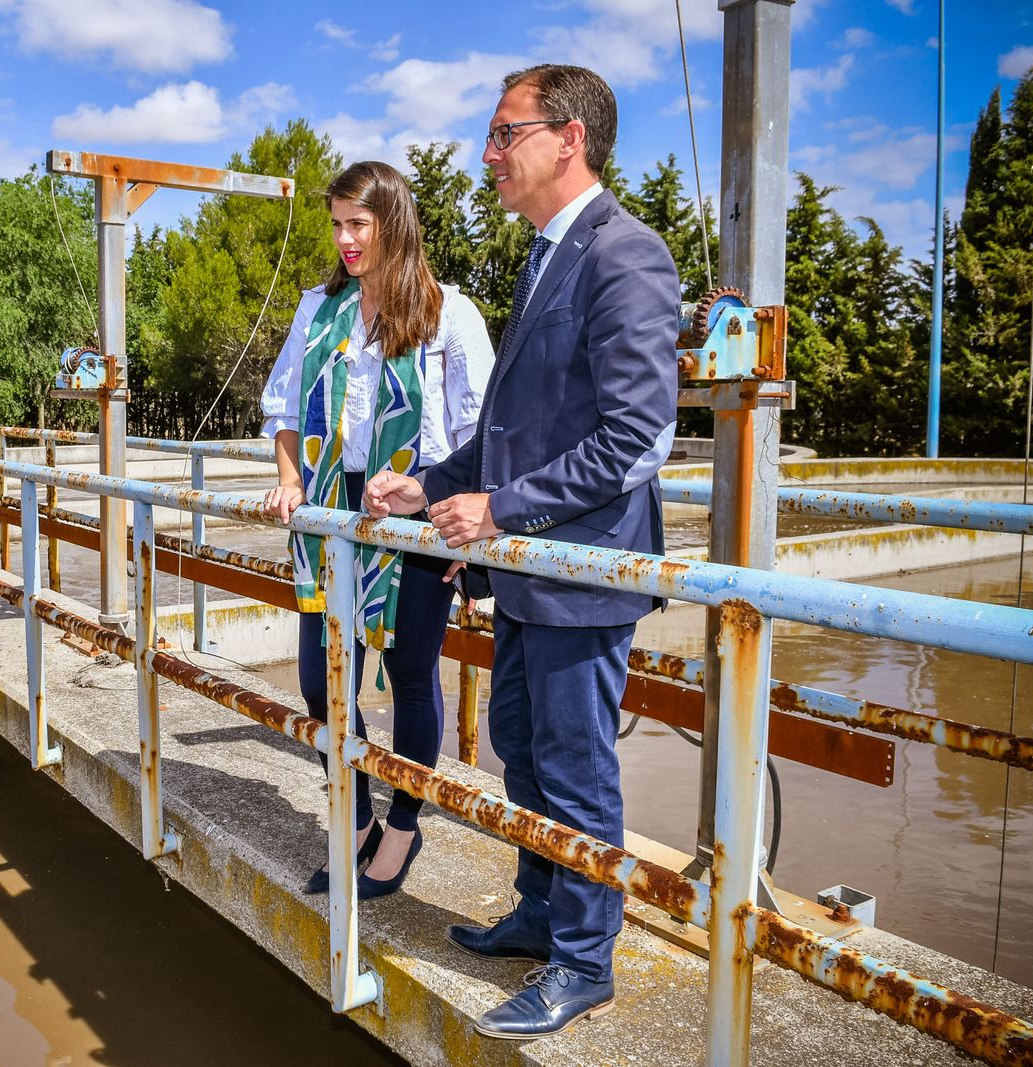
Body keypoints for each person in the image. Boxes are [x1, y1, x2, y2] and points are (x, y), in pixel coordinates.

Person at [364, 65, 679, 1039]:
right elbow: (513, 427)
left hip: (582, 572)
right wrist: (426, 479)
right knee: (523, 754)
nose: (488, 154)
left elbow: (633, 441)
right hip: (529, 573)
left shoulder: (625, 256)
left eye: (505, 134)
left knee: (576, 769)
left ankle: (583, 961)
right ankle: (541, 911)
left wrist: (500, 509)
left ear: (567, 139)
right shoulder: (544, 256)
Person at [260, 160, 495, 900]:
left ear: (393, 223)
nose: (344, 239)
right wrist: (291, 476)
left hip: (416, 510)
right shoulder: (318, 309)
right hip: (333, 510)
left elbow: (479, 427)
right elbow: (285, 409)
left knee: (412, 676)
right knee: (318, 674)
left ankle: (402, 824)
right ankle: (357, 812)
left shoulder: (447, 312)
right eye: (336, 224)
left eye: (357, 224)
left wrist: (458, 507)